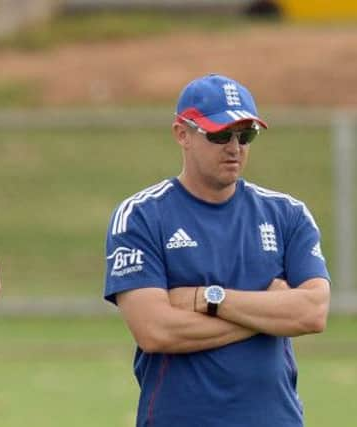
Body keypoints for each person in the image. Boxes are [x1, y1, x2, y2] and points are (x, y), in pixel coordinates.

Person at [103, 73, 330, 427]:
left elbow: (312, 313)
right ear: (183, 134)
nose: (234, 146)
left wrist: (210, 299)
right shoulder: (141, 216)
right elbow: (155, 330)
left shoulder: (288, 214)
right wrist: (269, 315)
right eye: (220, 133)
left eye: (246, 134)